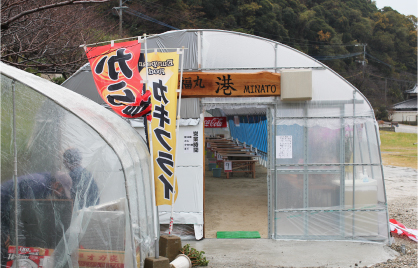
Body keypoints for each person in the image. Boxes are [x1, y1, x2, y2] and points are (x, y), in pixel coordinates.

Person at [1, 172, 72, 267]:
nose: (60, 195)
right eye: (62, 191)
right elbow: (24, 210)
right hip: (3, 207)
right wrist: (13, 231)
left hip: (7, 208)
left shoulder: (45, 185)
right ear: (56, 184)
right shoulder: (38, 184)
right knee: (5, 243)